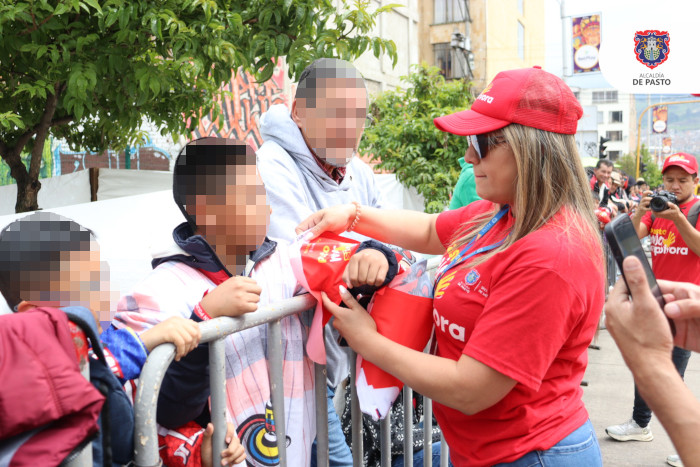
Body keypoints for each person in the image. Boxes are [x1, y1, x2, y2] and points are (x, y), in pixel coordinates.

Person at [296, 66, 605, 466]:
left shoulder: (550, 256)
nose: (468, 155)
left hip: (530, 453)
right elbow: (428, 229)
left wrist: (368, 342)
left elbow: (470, 389)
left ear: (532, 149)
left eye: (482, 142)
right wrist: (352, 216)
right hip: (485, 449)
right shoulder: (500, 216)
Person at [113, 137, 397, 466]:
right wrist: (205, 320)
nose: (268, 207)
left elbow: (355, 276)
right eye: (252, 195)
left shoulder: (289, 261)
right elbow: (163, 410)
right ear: (205, 209)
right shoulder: (159, 293)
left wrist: (376, 259)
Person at [257, 58, 421, 466]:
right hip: (294, 364)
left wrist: (379, 255)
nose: (350, 126)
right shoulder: (272, 164)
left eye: (358, 115)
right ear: (299, 110)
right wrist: (372, 255)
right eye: (336, 112)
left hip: (345, 359)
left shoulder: (358, 172)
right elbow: (302, 259)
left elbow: (400, 248)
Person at [0, 211, 245, 467]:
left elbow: (146, 424)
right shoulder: (20, 372)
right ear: (33, 313)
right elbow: (82, 370)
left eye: (102, 279)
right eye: (88, 286)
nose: (105, 294)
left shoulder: (116, 344)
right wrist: (141, 343)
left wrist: (196, 451)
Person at [606, 153, 700, 449]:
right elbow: (630, 239)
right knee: (646, 363)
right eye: (669, 180)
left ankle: (688, 443)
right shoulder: (655, 208)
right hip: (655, 301)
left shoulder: (696, 209)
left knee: (672, 375)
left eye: (682, 181)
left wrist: (679, 219)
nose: (675, 186)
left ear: (696, 182)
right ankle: (640, 423)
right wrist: (638, 212)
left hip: (685, 305)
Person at [605, 256, 700, 467]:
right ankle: (640, 423)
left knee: (674, 373)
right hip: (666, 300)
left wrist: (647, 362)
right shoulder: (656, 219)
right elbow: (634, 231)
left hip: (683, 299)